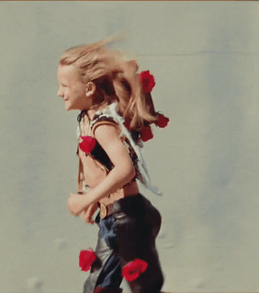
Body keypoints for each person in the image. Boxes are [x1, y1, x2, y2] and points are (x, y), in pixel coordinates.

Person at [56, 37, 168, 293]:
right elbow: (101, 167)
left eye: (64, 85)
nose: (59, 92)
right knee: (101, 287)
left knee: (133, 288)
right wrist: (93, 203)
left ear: (89, 89)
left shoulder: (103, 125)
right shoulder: (86, 118)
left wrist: (85, 200)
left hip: (128, 218)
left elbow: (124, 169)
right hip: (113, 219)